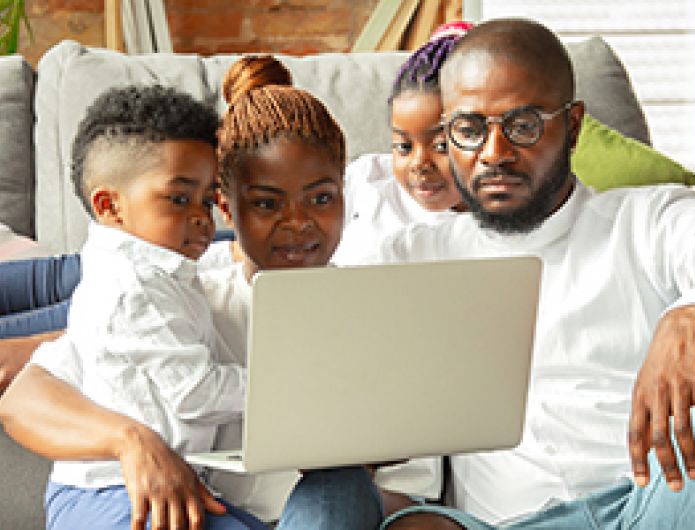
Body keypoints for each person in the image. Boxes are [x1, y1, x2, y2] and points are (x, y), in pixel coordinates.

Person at [272, 17, 695, 529]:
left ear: (572, 126)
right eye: (468, 129)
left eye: (523, 125)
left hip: (664, 497)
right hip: (505, 523)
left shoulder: (646, 220)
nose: (494, 153)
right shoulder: (409, 258)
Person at [0, 55, 436, 529]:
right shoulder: (183, 292)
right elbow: (26, 394)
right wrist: (130, 440)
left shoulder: (376, 306)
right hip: (168, 496)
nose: (298, 221)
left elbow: (403, 482)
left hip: (306, 506)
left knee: (346, 480)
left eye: (322, 198)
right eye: (267, 203)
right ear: (229, 210)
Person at [17, 83, 272, 530]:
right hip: (109, 489)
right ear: (110, 206)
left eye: (208, 198)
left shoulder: (172, 269)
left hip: (174, 479)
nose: (201, 216)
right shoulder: (133, 285)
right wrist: (289, 385)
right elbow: (194, 393)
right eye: (178, 198)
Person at [332, 21, 470, 266]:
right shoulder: (367, 180)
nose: (419, 164)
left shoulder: (504, 214)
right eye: (404, 147)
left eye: (441, 147)